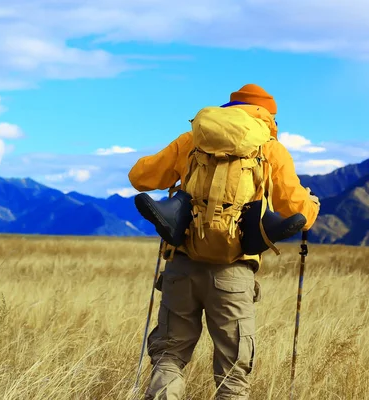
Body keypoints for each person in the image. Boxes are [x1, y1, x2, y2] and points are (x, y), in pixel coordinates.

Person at [128, 83, 320, 399]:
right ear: (268, 116)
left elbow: (140, 178)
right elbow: (299, 213)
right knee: (233, 373)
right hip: (234, 272)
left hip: (182, 265)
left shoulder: (191, 141)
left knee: (169, 356)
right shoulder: (269, 149)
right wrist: (312, 204)